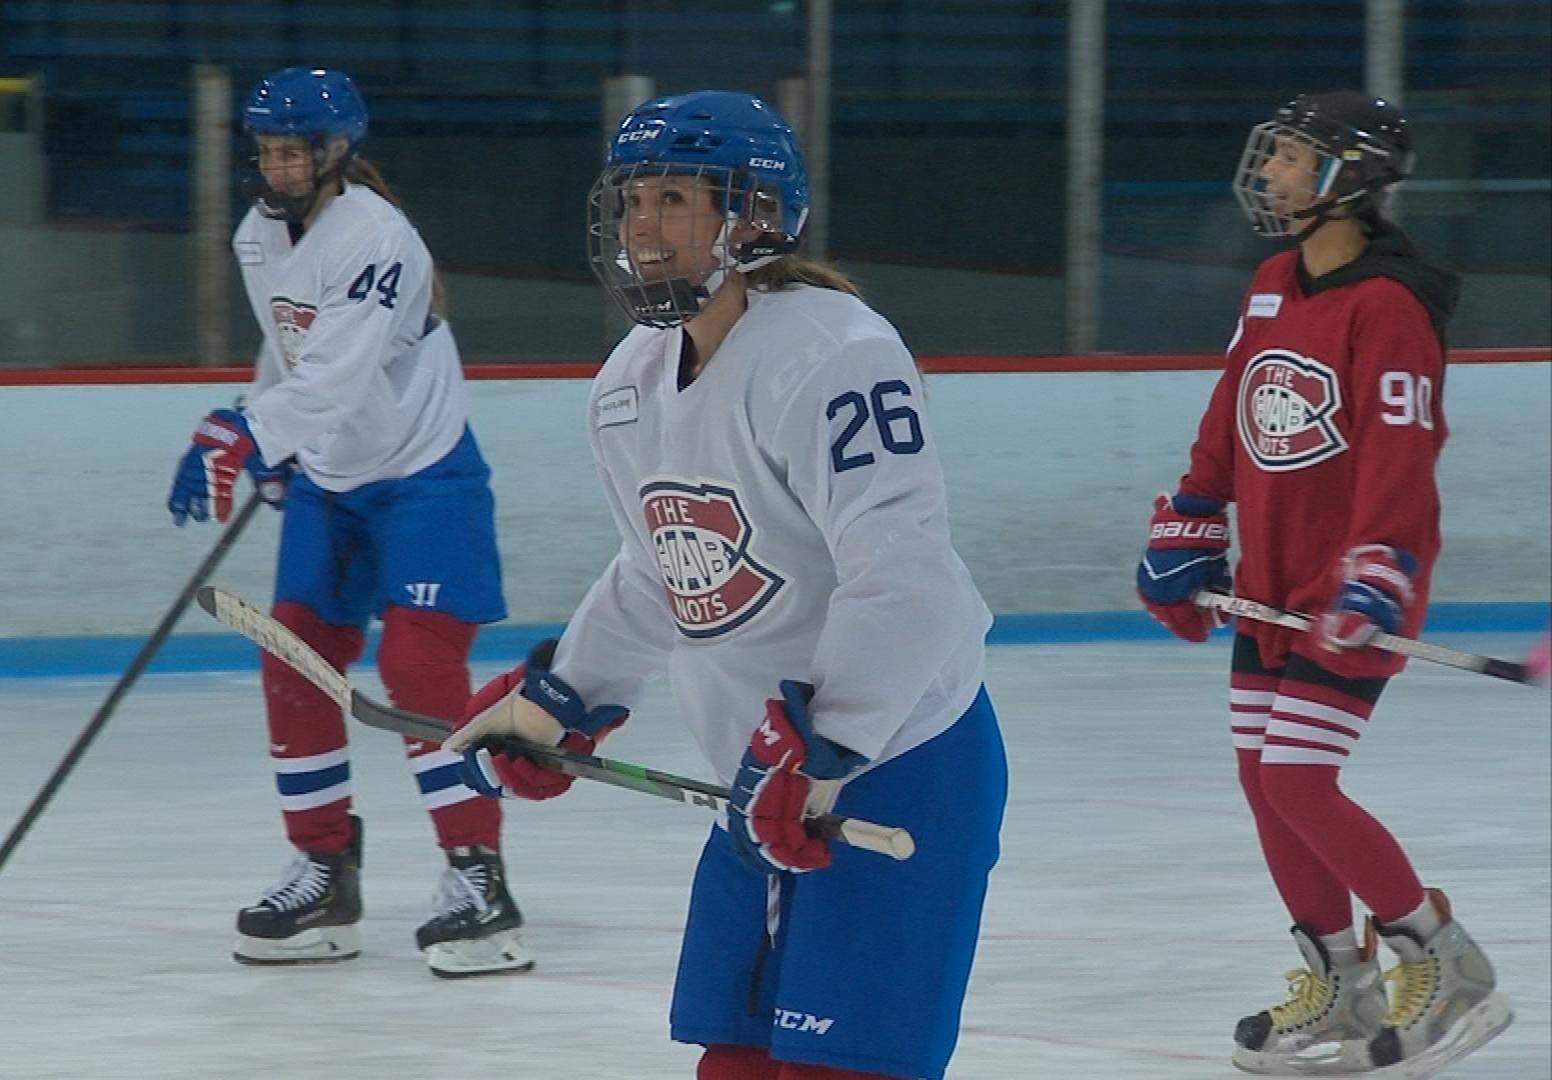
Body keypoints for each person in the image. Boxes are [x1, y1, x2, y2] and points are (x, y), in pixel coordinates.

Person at [444, 91, 1008, 1080]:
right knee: (733, 1060)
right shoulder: (627, 385)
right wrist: (564, 699)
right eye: (631, 202)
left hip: (899, 764)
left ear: (750, 215)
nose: (643, 227)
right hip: (763, 783)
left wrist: (829, 739)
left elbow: (905, 572)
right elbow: (658, 575)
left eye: (671, 198)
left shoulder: (836, 355)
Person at [1136, 90, 1513, 1075]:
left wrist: (1379, 566)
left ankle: (1443, 956)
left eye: (1294, 158)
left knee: (1299, 777)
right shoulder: (1271, 283)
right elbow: (1233, 410)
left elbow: (1401, 446)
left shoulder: (1387, 306)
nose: (1271, 174)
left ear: (1349, 181)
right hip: (1270, 580)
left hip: (1356, 590)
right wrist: (1189, 517)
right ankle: (1341, 979)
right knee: (1265, 787)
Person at [166, 67, 529, 978]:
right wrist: (270, 432)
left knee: (415, 667)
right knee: (294, 655)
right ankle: (324, 871)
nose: (279, 167)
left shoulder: (377, 238)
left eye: (295, 151)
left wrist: (248, 431)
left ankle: (477, 877)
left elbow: (336, 375)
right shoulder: (257, 234)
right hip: (331, 478)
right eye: (268, 151)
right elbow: (288, 349)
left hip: (424, 476)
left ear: (335, 153)